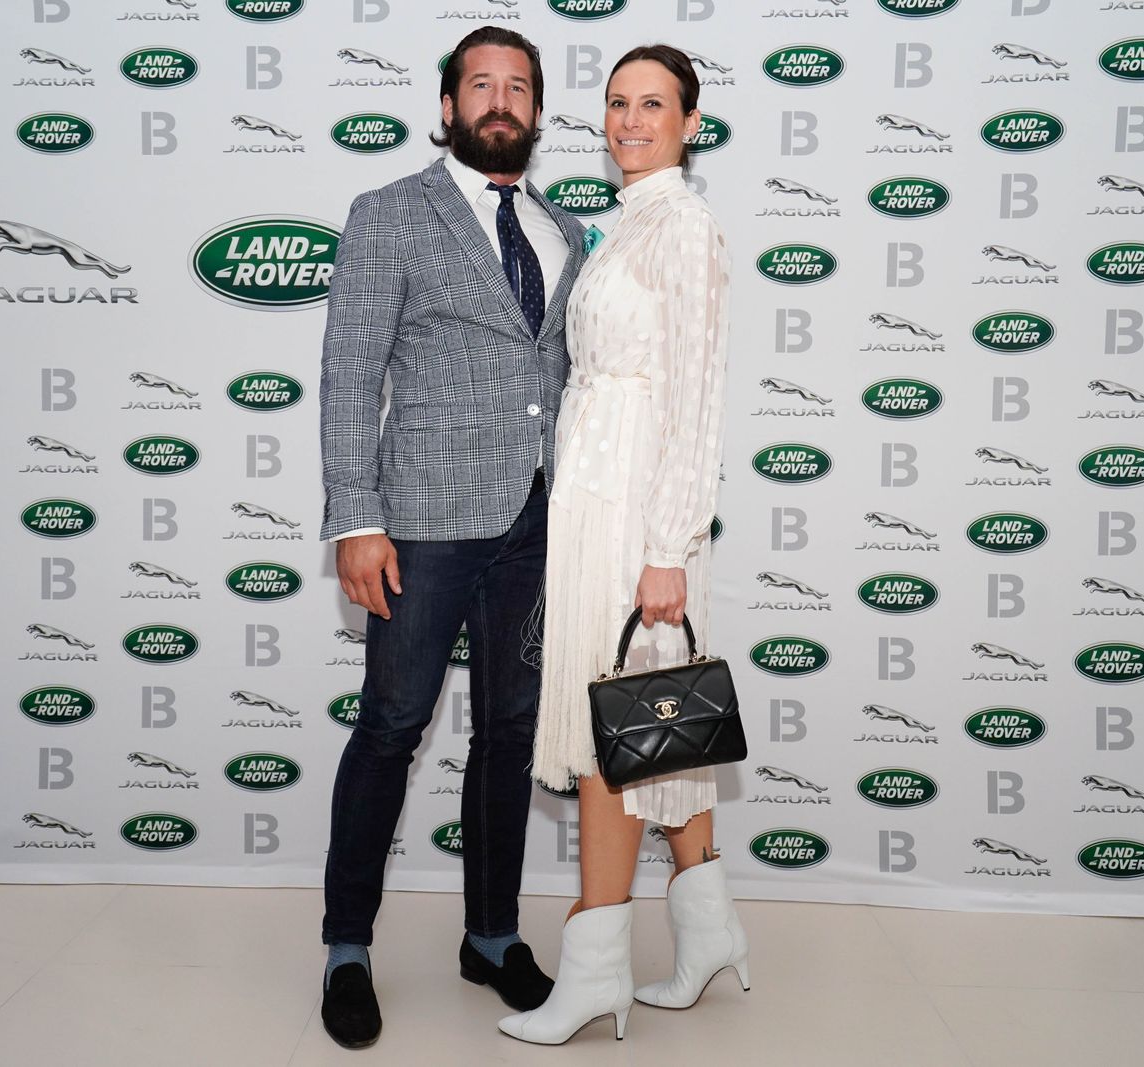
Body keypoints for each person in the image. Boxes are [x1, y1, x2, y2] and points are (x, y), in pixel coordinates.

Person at [316, 26, 588, 1051]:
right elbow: (351, 370)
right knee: (391, 724)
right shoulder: (389, 212)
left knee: (510, 731)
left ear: (536, 112)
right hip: (422, 523)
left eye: (518, 86)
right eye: (481, 84)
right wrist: (357, 517)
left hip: (536, 521)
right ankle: (347, 946)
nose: (499, 101)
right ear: (447, 107)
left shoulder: (565, 229)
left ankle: (490, 933)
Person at [497, 45, 744, 1046]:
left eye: (653, 105)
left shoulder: (683, 226)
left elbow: (696, 399)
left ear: (690, 124)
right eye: (616, 103)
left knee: (615, 727)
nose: (630, 120)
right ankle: (709, 932)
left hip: (639, 507)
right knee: (658, 720)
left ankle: (595, 971)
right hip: (596, 494)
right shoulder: (628, 221)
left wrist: (668, 545)